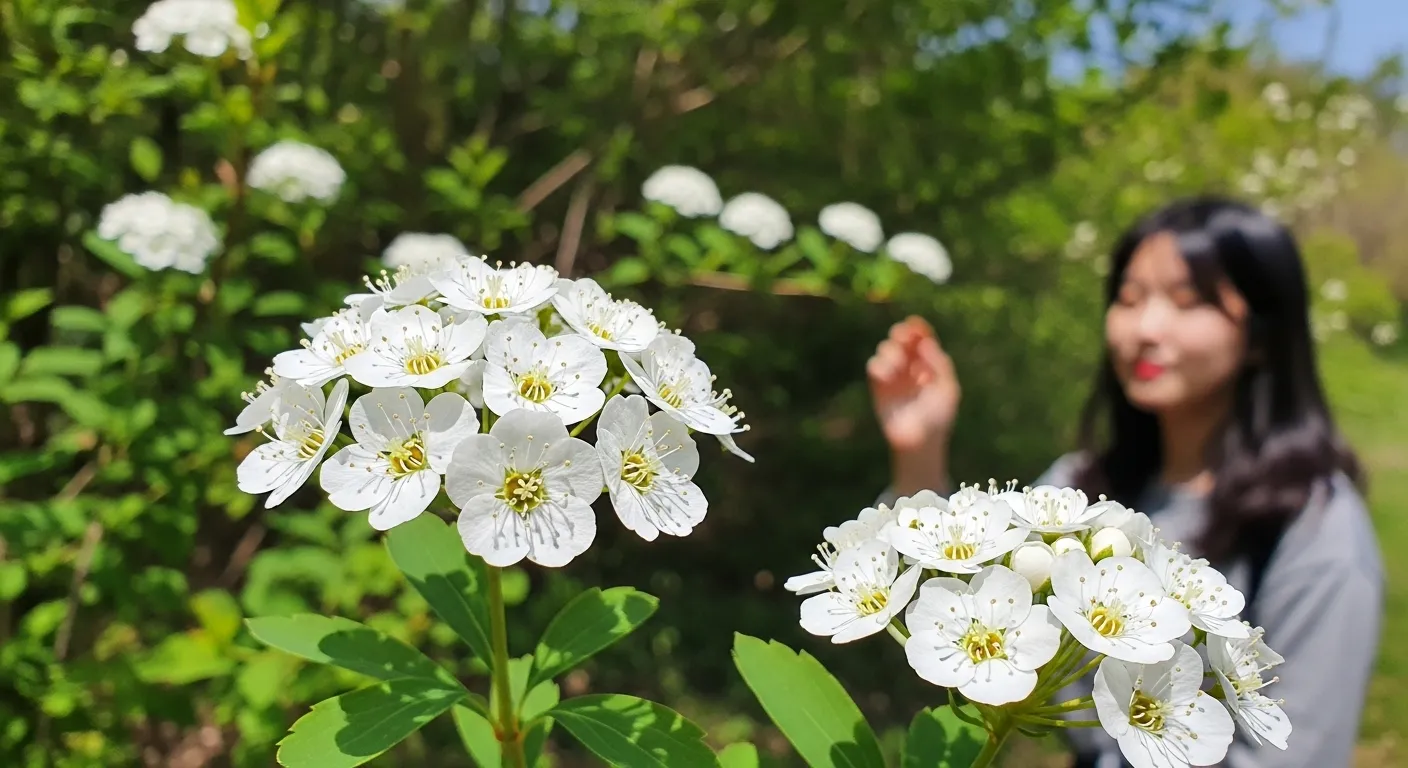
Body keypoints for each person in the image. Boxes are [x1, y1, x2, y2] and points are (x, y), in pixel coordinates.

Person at [866, 197, 1383, 768]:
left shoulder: (1319, 532)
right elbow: (951, 616)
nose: (1145, 328)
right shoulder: (1082, 492)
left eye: (1188, 302)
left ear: (1262, 335)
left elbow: (1300, 756)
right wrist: (921, 453)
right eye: (1129, 298)